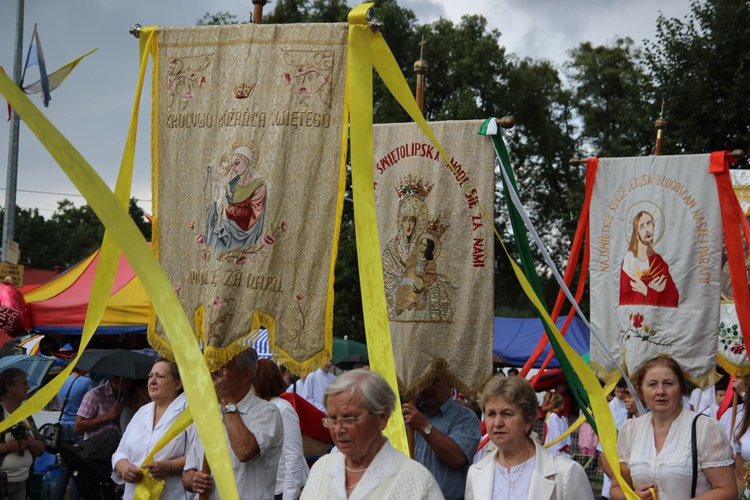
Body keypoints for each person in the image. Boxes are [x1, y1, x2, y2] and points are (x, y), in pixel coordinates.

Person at [301, 369, 443, 499]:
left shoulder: (416, 482)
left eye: (349, 419)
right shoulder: (322, 468)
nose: (338, 430)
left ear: (382, 417)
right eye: (332, 419)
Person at [609, 356, 736, 500]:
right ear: (640, 391)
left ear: (681, 388)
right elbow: (616, 488)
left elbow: (728, 492)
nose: (660, 391)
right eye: (652, 384)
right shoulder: (630, 430)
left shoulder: (705, 428)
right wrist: (632, 497)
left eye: (668, 383)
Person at [465, 374, 593, 500]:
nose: (497, 423)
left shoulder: (566, 473)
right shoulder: (476, 473)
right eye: (491, 414)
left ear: (528, 420)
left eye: (507, 413)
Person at [182, 348, 283, 500]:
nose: (213, 374)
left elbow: (244, 450)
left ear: (246, 375)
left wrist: (226, 399)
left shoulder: (267, 412)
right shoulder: (207, 414)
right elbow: (188, 471)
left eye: (222, 368)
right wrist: (194, 480)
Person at [112, 359, 193, 500]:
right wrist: (123, 467)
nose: (152, 381)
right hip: (134, 494)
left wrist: (171, 466)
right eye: (150, 376)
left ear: (178, 384)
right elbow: (121, 450)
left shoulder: (190, 412)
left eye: (160, 376)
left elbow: (202, 456)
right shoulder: (142, 411)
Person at [403, 369, 481, 500]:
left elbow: (457, 458)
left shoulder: (465, 417)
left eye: (434, 381)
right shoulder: (406, 415)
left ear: (450, 384)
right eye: (423, 380)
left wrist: (423, 427)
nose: (427, 387)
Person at [253, 358, 309, 500]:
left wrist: (289, 496)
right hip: (269, 489)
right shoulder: (259, 408)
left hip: (284, 490)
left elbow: (293, 457)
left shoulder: (282, 409)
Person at [204, 143, 268, 256]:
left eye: (237, 163)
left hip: (244, 235)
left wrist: (228, 207)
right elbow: (220, 204)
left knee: (220, 248)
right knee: (213, 242)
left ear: (247, 162)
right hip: (225, 228)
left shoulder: (259, 187)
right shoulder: (232, 183)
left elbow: (251, 216)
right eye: (232, 164)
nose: (233, 168)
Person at [0, 368, 45, 500]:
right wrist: (9, 447)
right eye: (24, 383)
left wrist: (32, 443)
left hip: (24, 480)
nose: (28, 387)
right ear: (9, 387)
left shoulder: (24, 412)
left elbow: (41, 449)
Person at [619, 210, 679, 307]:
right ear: (636, 234)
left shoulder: (658, 261)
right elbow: (628, 296)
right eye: (642, 226)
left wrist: (646, 290)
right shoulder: (629, 259)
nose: (647, 229)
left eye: (649, 223)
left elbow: (674, 297)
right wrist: (653, 290)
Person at [54, 366, 93, 500]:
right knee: (78, 470)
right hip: (78, 428)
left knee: (64, 469)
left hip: (63, 427)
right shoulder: (86, 382)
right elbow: (89, 404)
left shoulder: (62, 380)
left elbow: (60, 405)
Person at [76, 375, 132, 439]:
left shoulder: (127, 396)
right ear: (114, 379)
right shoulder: (94, 395)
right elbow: (79, 426)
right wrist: (107, 416)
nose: (130, 384)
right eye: (126, 381)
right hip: (98, 445)